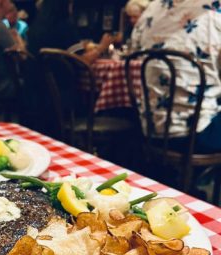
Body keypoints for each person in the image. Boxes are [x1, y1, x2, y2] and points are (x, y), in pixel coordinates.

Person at [131, 0, 221, 153]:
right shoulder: (215, 9)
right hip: (197, 134)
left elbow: (134, 51)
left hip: (151, 129)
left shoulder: (152, 9)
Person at [26, 0, 114, 63]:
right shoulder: (64, 27)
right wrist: (102, 47)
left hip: (33, 84)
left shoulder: (36, 25)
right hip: (60, 86)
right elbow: (81, 61)